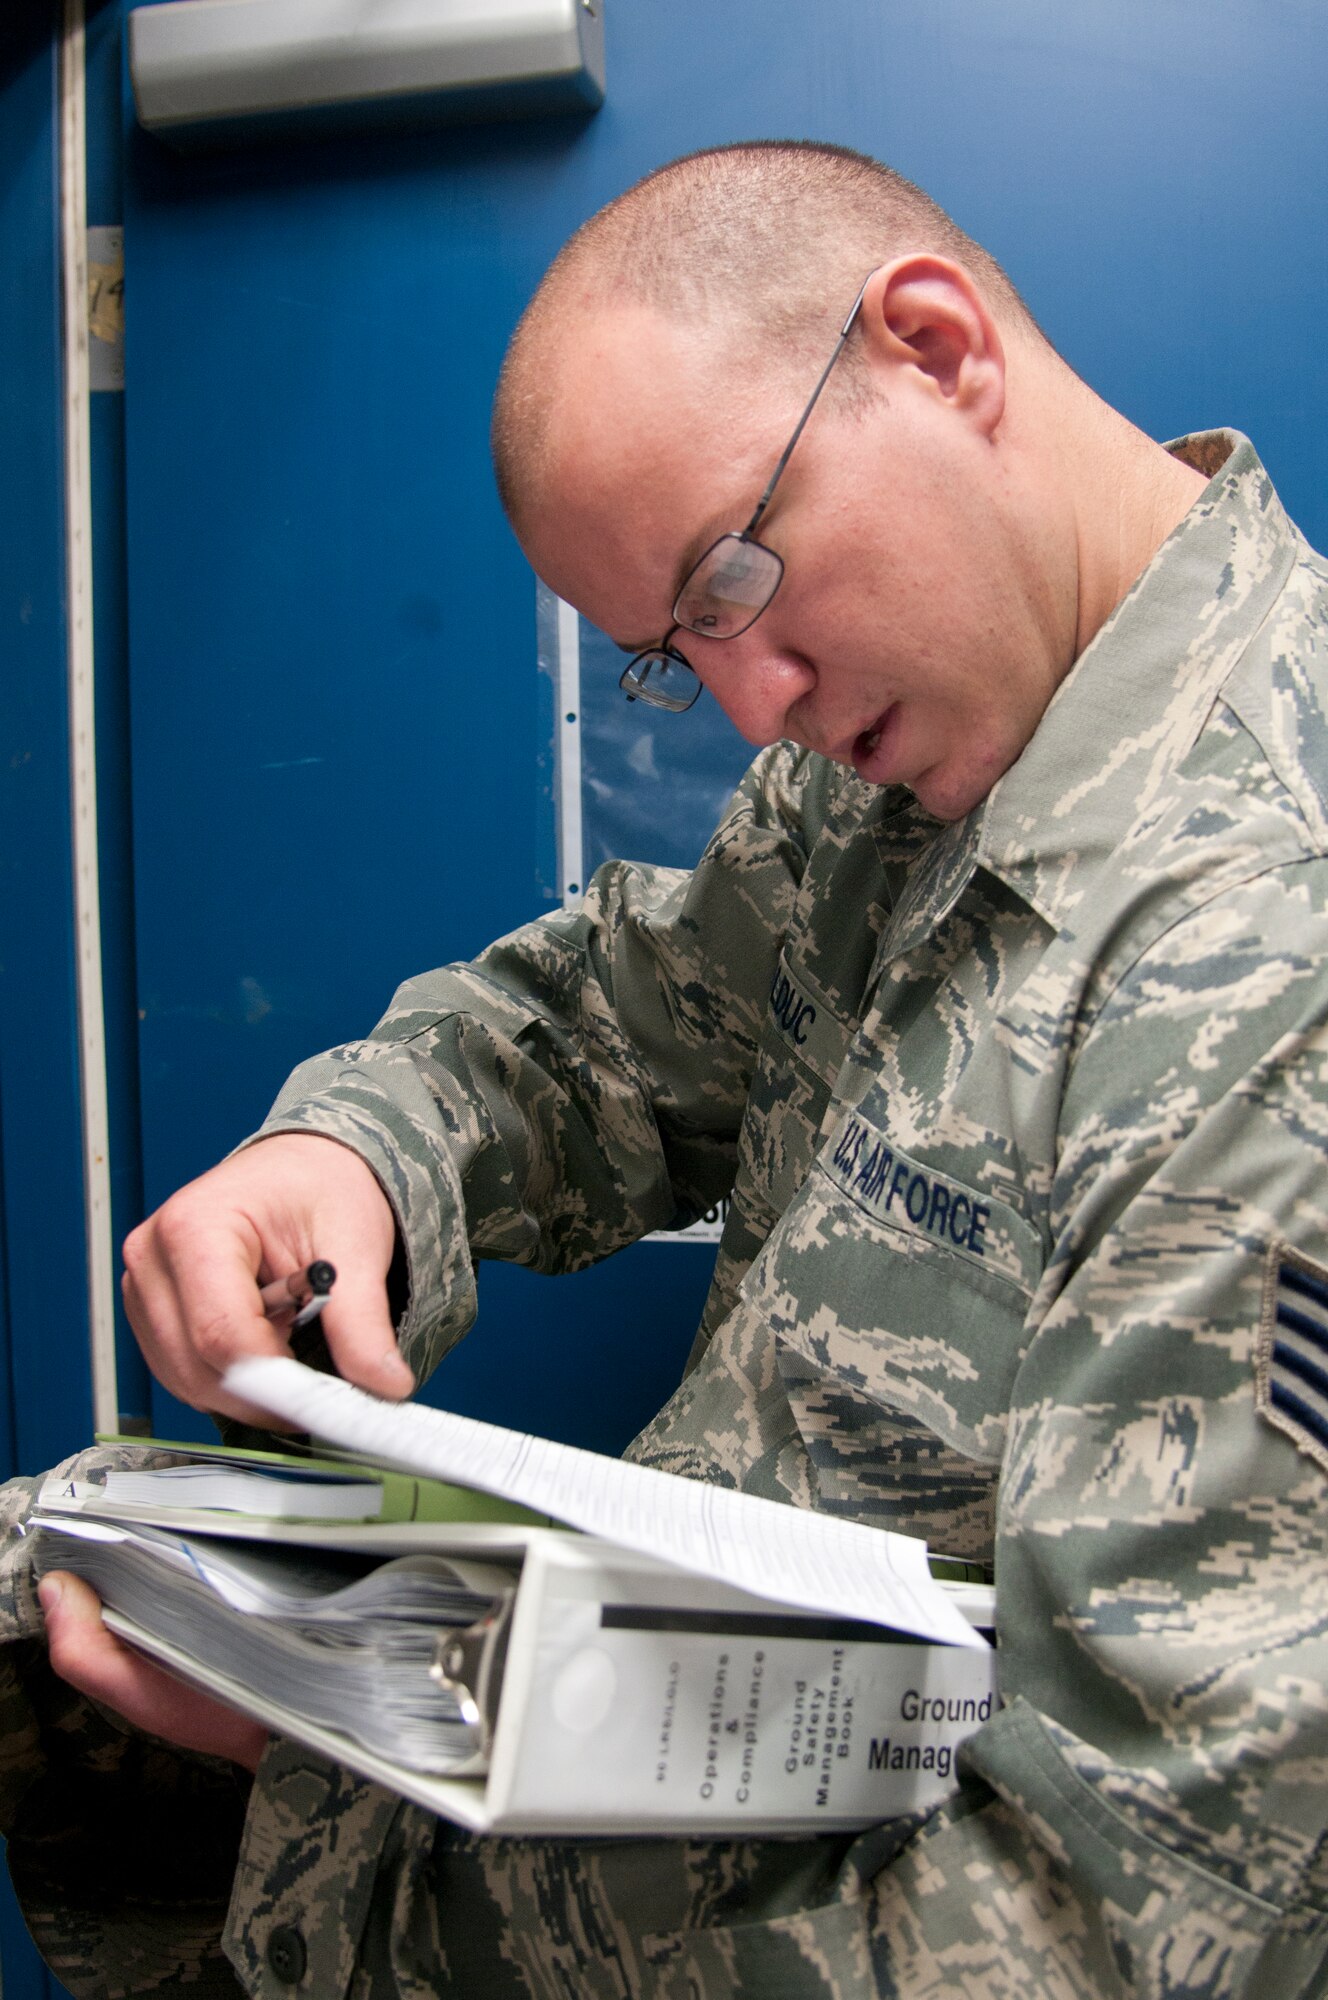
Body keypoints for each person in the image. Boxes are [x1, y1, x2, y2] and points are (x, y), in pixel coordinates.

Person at [11, 139, 1328, 1997]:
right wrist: (361, 1156)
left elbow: (1121, 1927)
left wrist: (345, 1808)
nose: (753, 705)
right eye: (676, 648)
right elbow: (610, 1022)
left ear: (936, 350)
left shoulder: (1274, 947)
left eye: (735, 576)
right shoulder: (902, 755)